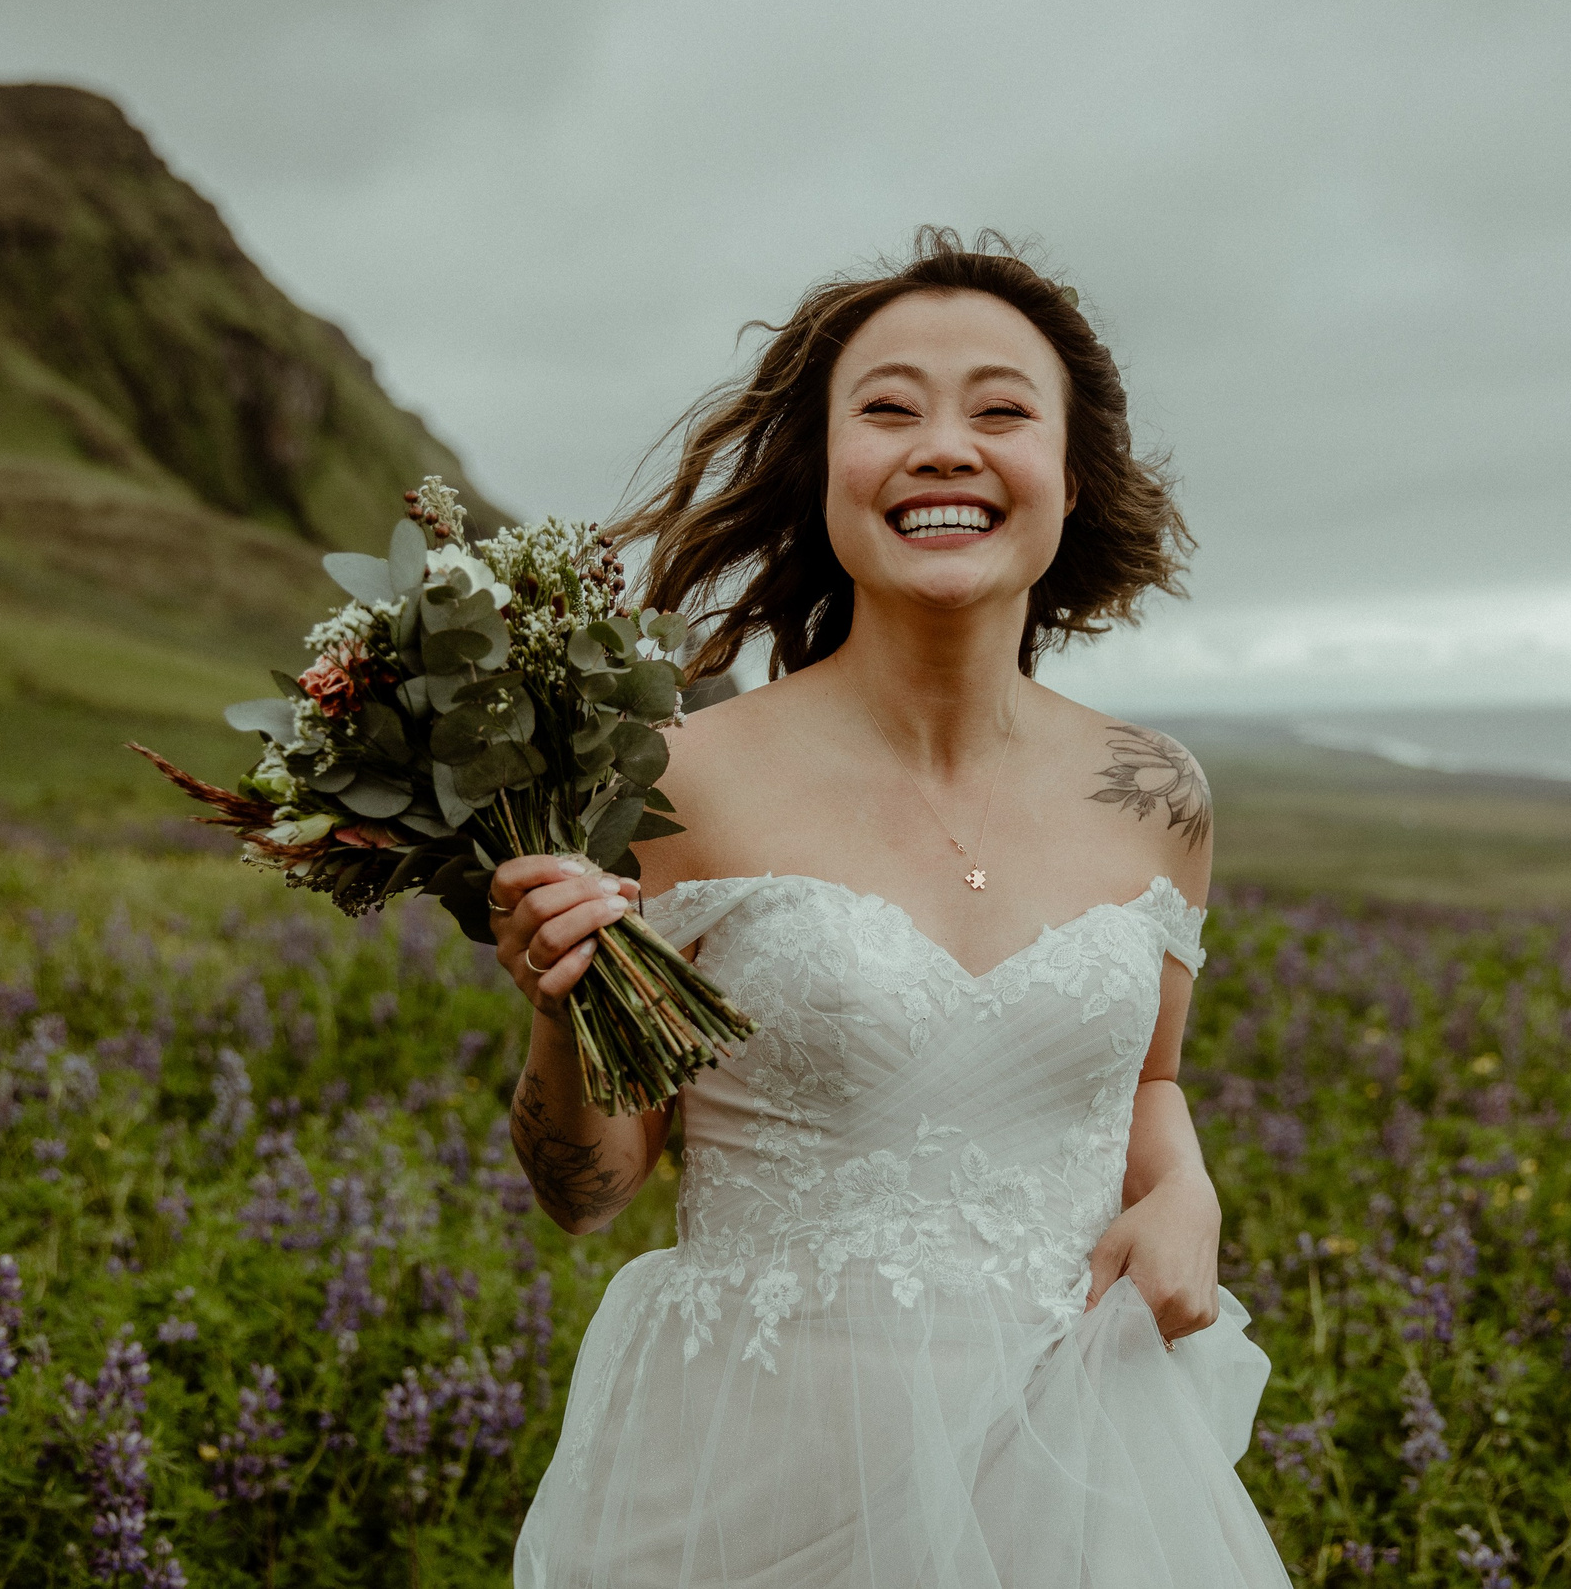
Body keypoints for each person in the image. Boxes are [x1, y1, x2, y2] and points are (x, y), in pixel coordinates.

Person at [490, 231, 1292, 1588]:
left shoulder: (1154, 793)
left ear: (1066, 475)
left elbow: (1147, 1079)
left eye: (998, 409)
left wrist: (1190, 1189)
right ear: (822, 473)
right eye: (888, 408)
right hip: (756, 1478)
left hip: (1076, 1476)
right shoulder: (676, 778)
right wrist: (561, 1016)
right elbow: (590, 1187)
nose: (943, 445)